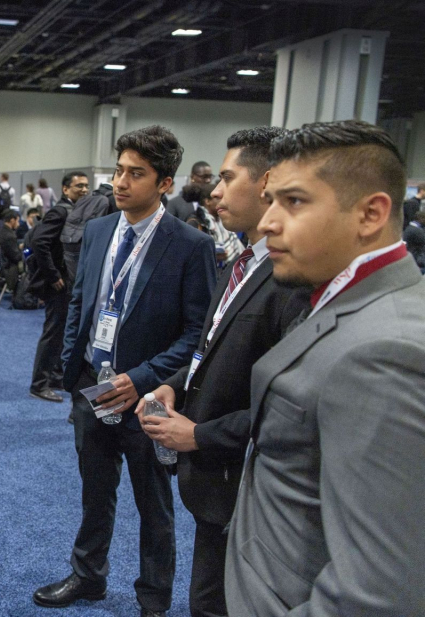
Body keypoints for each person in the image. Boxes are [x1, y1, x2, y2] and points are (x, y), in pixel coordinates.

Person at [224, 120, 425, 616]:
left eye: (293, 202)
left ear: (370, 214)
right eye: (270, 201)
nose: (269, 222)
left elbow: (379, 594)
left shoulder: (383, 352)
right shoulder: (343, 296)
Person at [33, 125, 216, 617]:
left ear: (164, 183)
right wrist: (74, 369)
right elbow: (81, 304)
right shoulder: (97, 231)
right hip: (93, 386)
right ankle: (88, 576)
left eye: (136, 174)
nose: (121, 182)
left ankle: (153, 598)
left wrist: (140, 378)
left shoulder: (189, 246)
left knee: (153, 504)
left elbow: (196, 336)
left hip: (148, 395)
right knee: (95, 492)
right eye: (118, 171)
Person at [137, 126, 308, 617]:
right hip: (215, 489)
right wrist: (175, 387)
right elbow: (209, 351)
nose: (213, 190)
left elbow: (286, 406)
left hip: (245, 485)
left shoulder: (289, 280)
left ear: (267, 183)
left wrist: (201, 436)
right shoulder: (241, 262)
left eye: (228, 178)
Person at [28, 170, 89, 403]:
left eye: (86, 186)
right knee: (52, 333)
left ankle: (54, 376)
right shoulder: (60, 211)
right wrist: (53, 275)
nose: (84, 190)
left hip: (68, 282)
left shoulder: (77, 211)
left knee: (63, 332)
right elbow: (39, 242)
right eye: (78, 186)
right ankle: (38, 384)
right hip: (58, 284)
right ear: (65, 189)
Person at [0, 210, 24, 292]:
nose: (19, 224)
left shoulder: (0, 231)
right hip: (8, 268)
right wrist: (26, 250)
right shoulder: (10, 236)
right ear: (12, 220)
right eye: (17, 221)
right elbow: (17, 258)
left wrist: (17, 247)